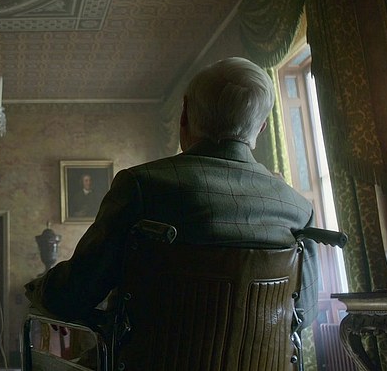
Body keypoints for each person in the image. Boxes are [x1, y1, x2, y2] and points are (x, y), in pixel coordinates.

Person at [25, 57, 319, 332]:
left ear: (184, 114)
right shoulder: (298, 210)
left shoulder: (141, 186)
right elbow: (302, 314)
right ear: (262, 127)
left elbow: (72, 295)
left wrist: (37, 289)